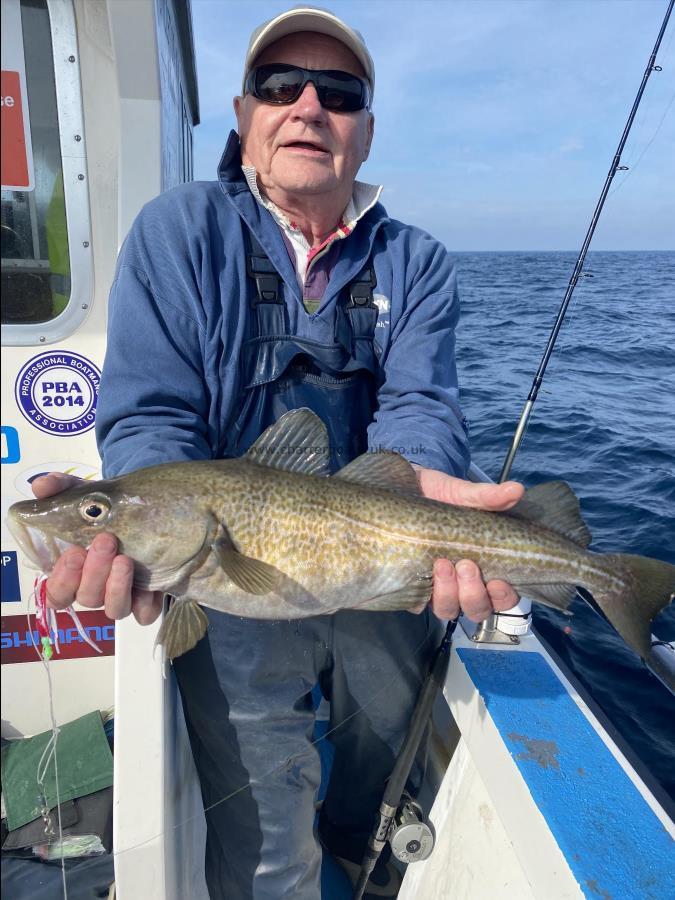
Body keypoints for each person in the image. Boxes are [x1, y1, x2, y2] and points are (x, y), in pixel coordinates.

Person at [34, 8, 523, 899]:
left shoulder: (416, 261)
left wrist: (423, 489)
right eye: (278, 86)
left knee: (380, 769)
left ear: (365, 132)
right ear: (241, 114)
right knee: (263, 826)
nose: (307, 106)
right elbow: (150, 416)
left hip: (382, 564)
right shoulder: (176, 232)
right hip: (227, 580)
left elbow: (419, 403)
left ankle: (357, 847)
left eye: (338, 95)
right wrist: (122, 520)